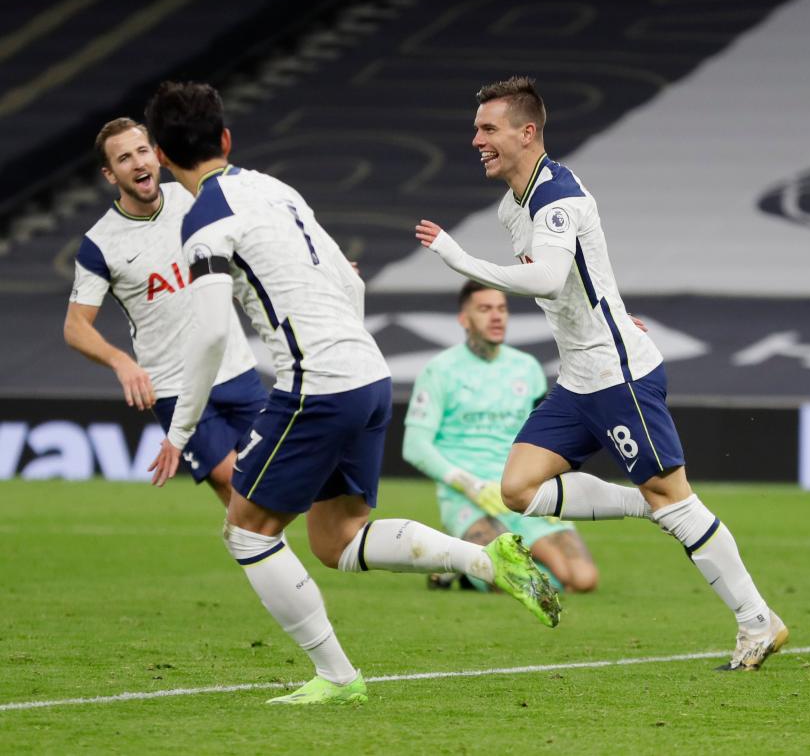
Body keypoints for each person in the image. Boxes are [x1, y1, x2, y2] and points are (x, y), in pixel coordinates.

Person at [143, 81, 560, 706]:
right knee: (336, 538)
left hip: (316, 384)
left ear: (163, 157)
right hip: (366, 372)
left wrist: (178, 432)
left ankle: (338, 677)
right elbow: (350, 279)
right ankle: (485, 559)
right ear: (225, 139)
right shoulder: (275, 190)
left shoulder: (203, 220)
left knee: (247, 532)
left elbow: (206, 335)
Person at [415, 76, 785, 671]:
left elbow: (547, 279)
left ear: (526, 132)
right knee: (519, 489)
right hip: (579, 378)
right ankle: (650, 506)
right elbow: (583, 279)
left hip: (618, 377)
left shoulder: (557, 195)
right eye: (477, 128)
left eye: (488, 128)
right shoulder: (515, 203)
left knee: (675, 498)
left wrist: (460, 260)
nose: (476, 139)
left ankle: (756, 622)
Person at [65, 118, 265, 506]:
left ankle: (273, 560)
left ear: (156, 155)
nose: (138, 163)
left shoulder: (193, 197)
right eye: (124, 158)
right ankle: (271, 561)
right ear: (110, 174)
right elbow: (75, 327)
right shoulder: (99, 244)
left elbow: (246, 253)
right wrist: (121, 362)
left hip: (237, 369)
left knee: (274, 478)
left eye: (142, 151)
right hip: (174, 386)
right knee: (231, 482)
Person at [404, 280, 599, 593]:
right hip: (470, 498)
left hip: (523, 491)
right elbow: (415, 446)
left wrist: (553, 487)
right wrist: (471, 485)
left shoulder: (527, 368)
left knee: (583, 579)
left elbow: (544, 441)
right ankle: (465, 566)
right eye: (484, 309)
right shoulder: (439, 370)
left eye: (501, 309)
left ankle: (463, 567)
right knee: (529, 585)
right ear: (464, 319)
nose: (496, 317)